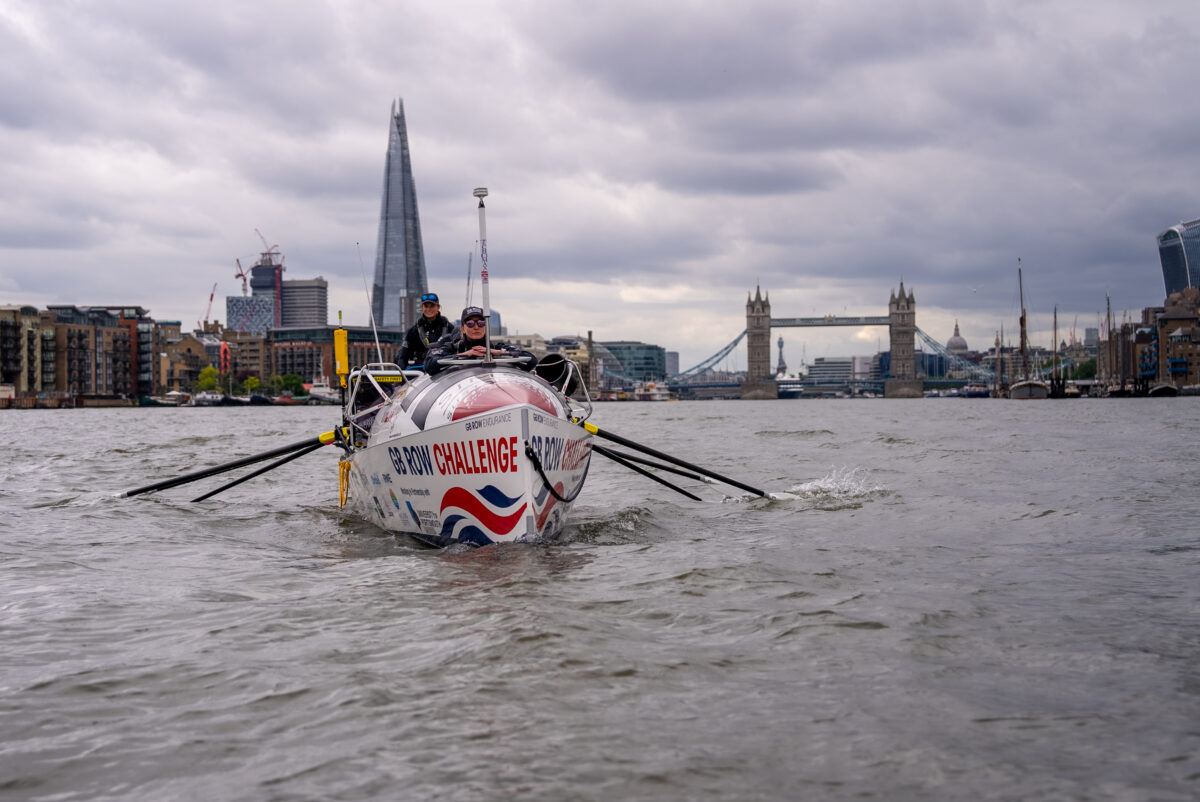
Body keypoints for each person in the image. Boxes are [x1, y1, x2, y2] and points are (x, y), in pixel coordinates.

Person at [424, 306, 538, 376]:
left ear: (486, 327)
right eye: (470, 323)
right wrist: (463, 355)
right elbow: (429, 366)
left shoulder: (497, 348)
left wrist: (499, 353)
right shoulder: (451, 348)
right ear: (463, 328)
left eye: (481, 323)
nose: (476, 327)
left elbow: (531, 360)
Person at [398, 293, 454, 369]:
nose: (428, 309)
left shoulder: (449, 328)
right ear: (422, 308)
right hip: (420, 370)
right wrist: (401, 374)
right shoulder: (413, 331)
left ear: (438, 307)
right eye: (426, 306)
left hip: (443, 368)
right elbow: (403, 356)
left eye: (432, 306)